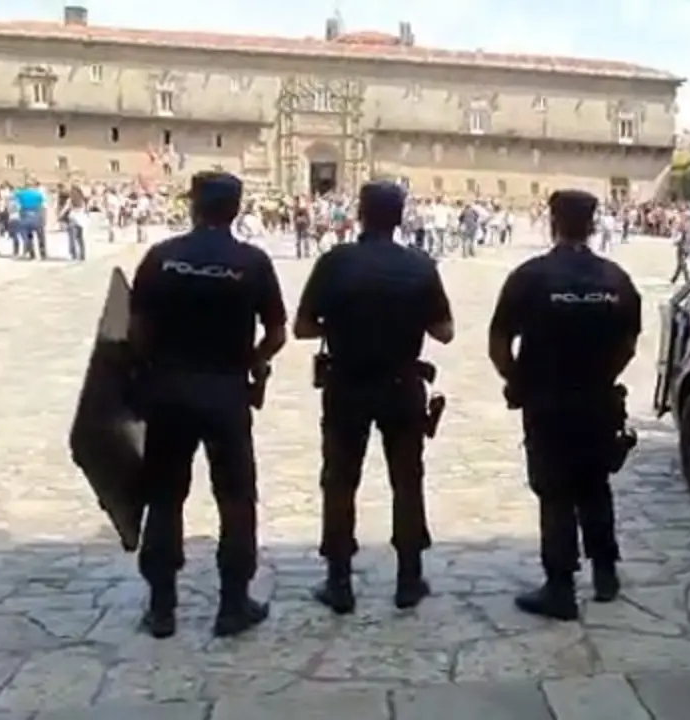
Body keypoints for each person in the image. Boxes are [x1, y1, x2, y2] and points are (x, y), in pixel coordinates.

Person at [128, 171, 287, 639]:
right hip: (226, 393)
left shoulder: (162, 258)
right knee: (236, 500)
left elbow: (136, 330)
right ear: (235, 210)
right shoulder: (252, 262)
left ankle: (161, 608)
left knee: (164, 498)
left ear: (194, 208)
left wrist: (148, 368)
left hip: (170, 391)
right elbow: (276, 332)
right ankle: (232, 604)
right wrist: (251, 361)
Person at [294, 180, 454, 615]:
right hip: (402, 386)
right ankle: (408, 577)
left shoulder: (335, 263)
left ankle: (340, 581)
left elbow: (303, 328)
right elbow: (445, 331)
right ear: (400, 217)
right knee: (406, 481)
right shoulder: (420, 266)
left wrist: (343, 323)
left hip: (346, 384)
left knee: (341, 481)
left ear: (360, 215)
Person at [487, 188, 642, 621]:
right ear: (593, 225)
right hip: (597, 400)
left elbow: (499, 341)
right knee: (595, 484)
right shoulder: (616, 280)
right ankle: (605, 571)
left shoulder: (530, 277)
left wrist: (517, 381)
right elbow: (629, 343)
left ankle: (560, 587)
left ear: (553, 222)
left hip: (548, 399)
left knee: (554, 491)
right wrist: (604, 376)